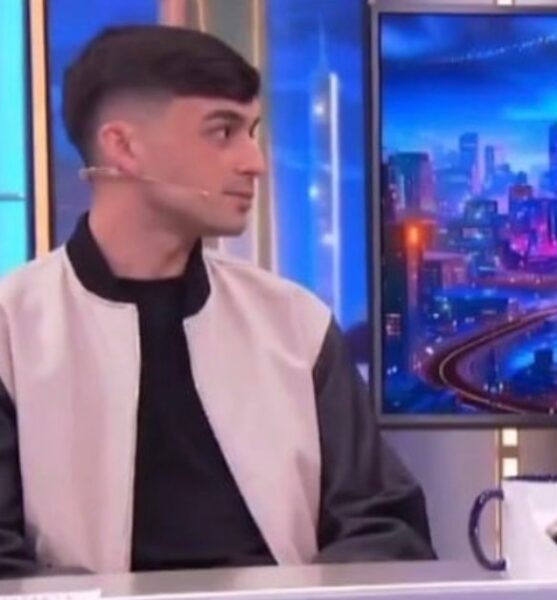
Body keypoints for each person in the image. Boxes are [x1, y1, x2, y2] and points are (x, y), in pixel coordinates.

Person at [0, 25, 435, 577]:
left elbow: (386, 527)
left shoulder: (294, 324)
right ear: (123, 146)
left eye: (252, 132)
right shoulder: (13, 329)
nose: (255, 162)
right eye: (223, 131)